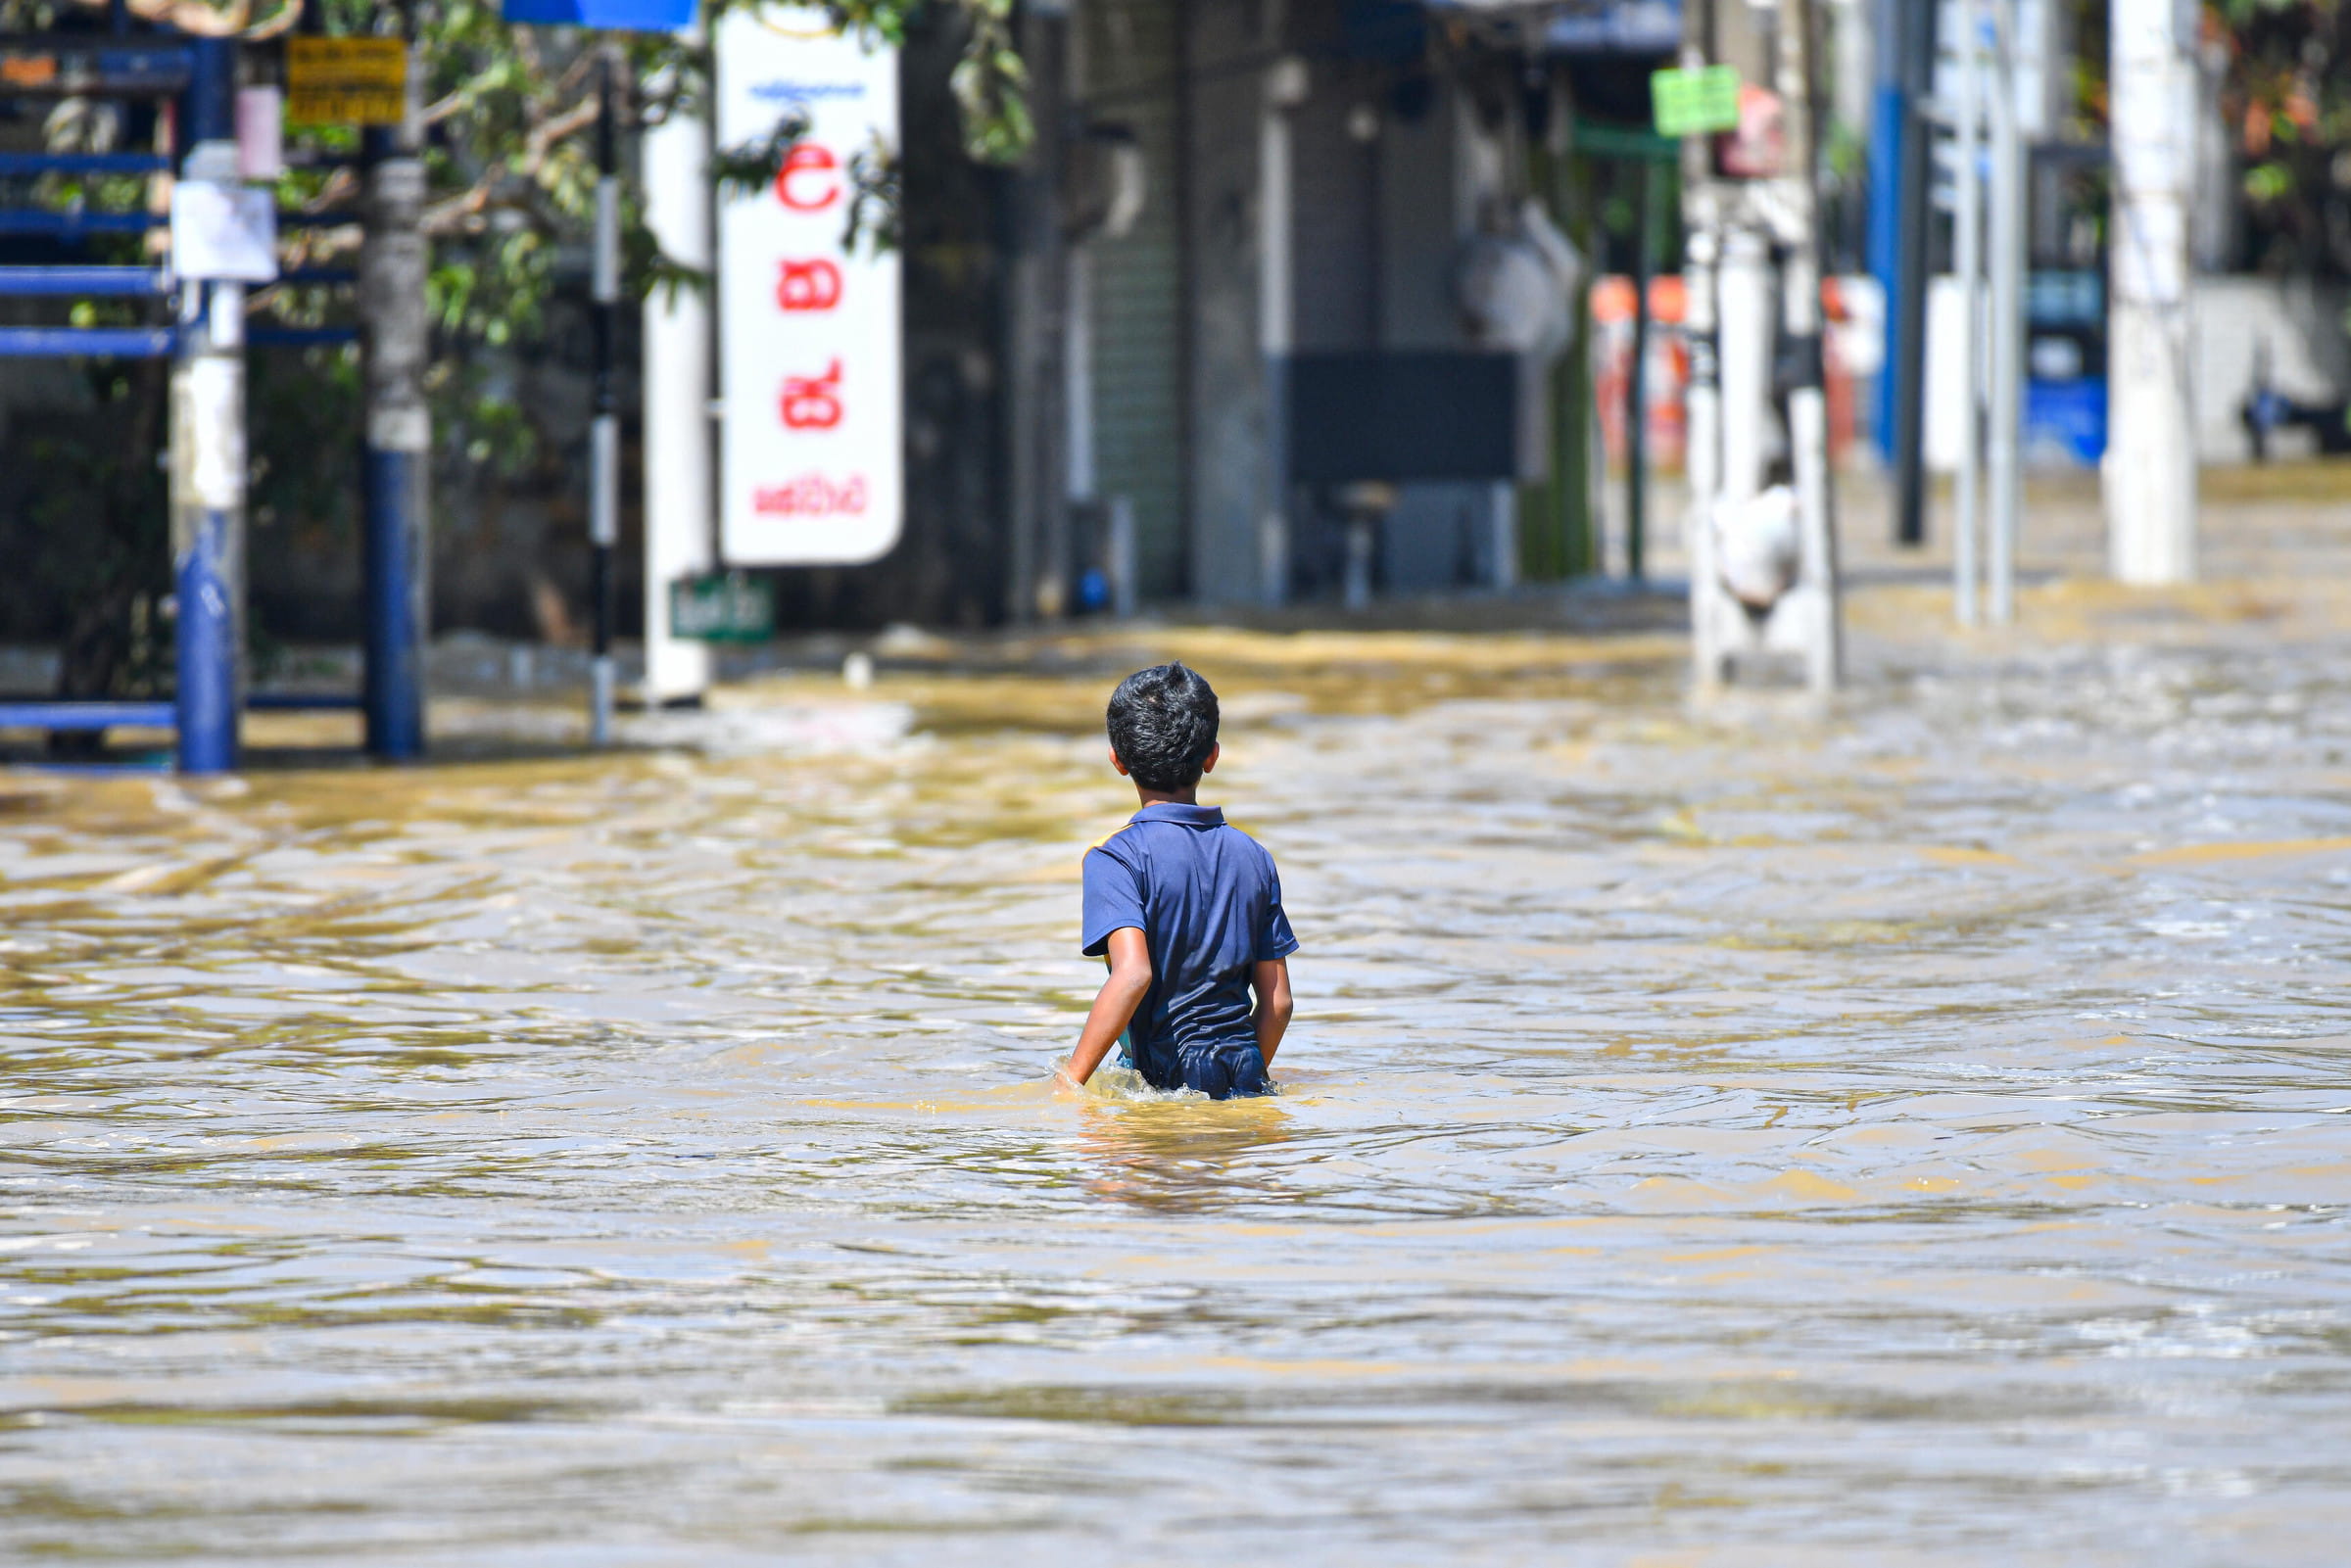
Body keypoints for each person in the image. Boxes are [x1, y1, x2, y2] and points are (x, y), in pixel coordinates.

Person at [1055, 663, 1298, 1100]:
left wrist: (1067, 1083)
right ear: (1212, 756)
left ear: (1118, 760)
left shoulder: (1115, 857)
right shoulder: (1254, 856)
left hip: (1166, 1080)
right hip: (1245, 1072)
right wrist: (1242, 1083)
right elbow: (1278, 1004)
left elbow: (1132, 976)